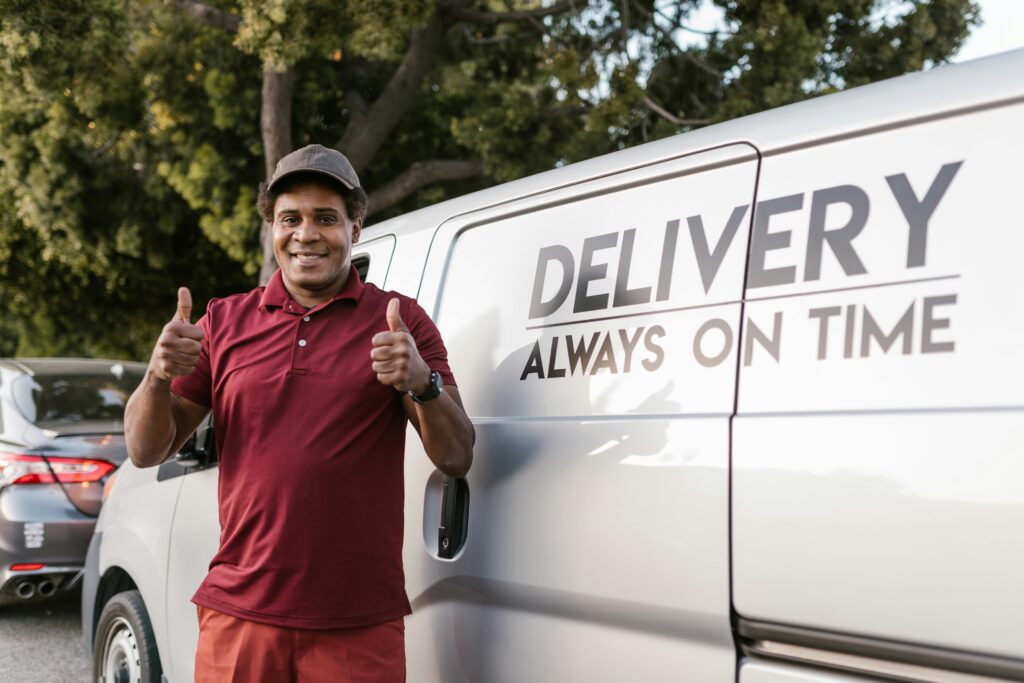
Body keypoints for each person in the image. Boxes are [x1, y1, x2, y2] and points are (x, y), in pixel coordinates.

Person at [124, 143, 474, 682]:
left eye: (326, 218)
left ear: (356, 227)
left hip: (358, 620)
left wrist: (422, 384)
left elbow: (457, 456)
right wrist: (156, 376)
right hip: (240, 613)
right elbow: (147, 450)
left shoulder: (400, 322)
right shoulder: (224, 321)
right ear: (272, 228)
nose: (306, 234)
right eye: (290, 218)